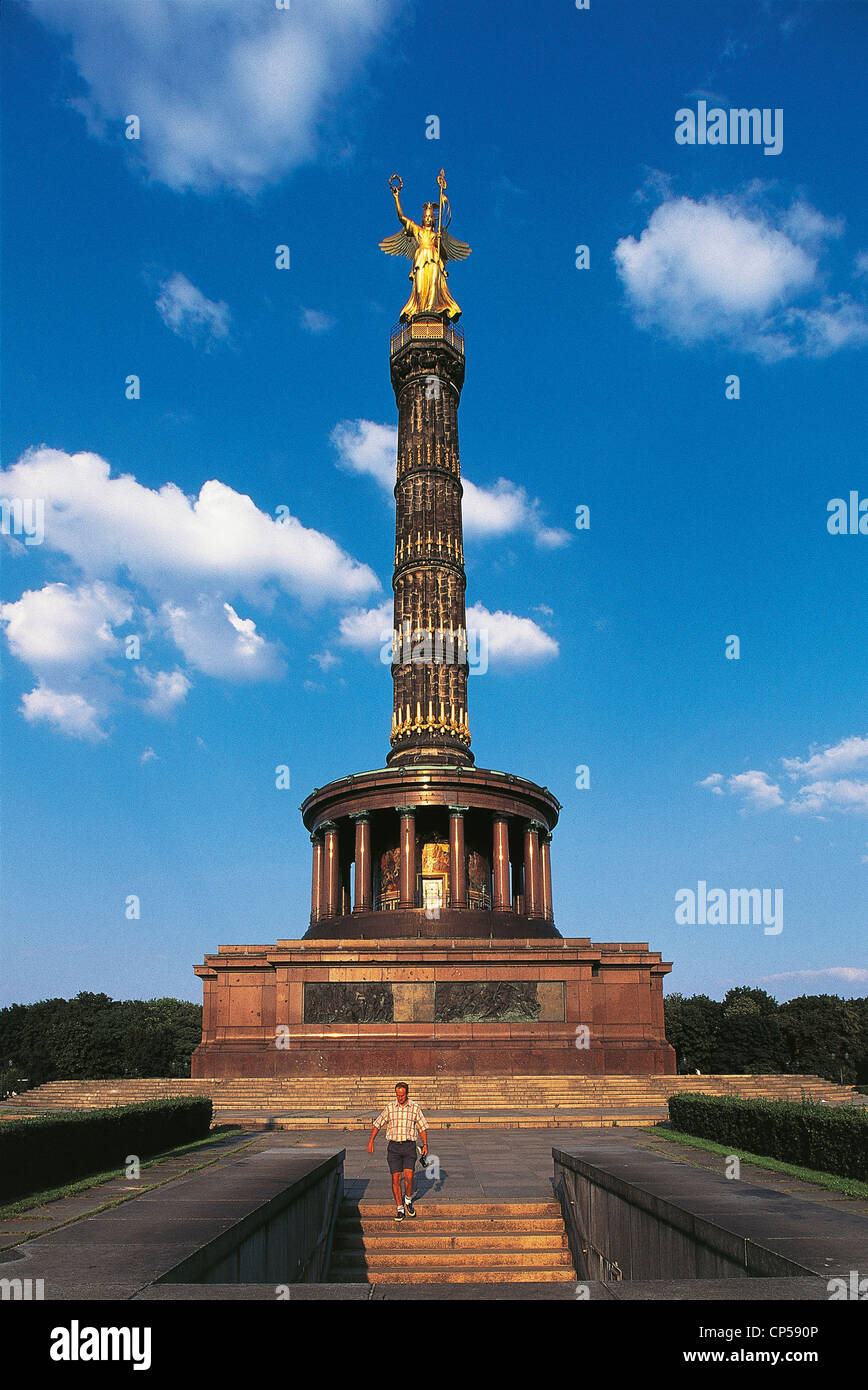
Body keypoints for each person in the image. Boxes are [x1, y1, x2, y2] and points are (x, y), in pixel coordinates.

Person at [367, 1082, 429, 1221]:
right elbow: (378, 1123)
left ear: (407, 1093)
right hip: (394, 1148)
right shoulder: (390, 1107)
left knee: (409, 1176)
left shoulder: (414, 1107)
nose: (399, 1098)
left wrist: (425, 1144)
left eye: (402, 1095)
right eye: (397, 1095)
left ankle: (408, 1199)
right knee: (395, 1178)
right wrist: (371, 1141)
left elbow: (422, 1127)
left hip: (409, 1146)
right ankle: (400, 1208)